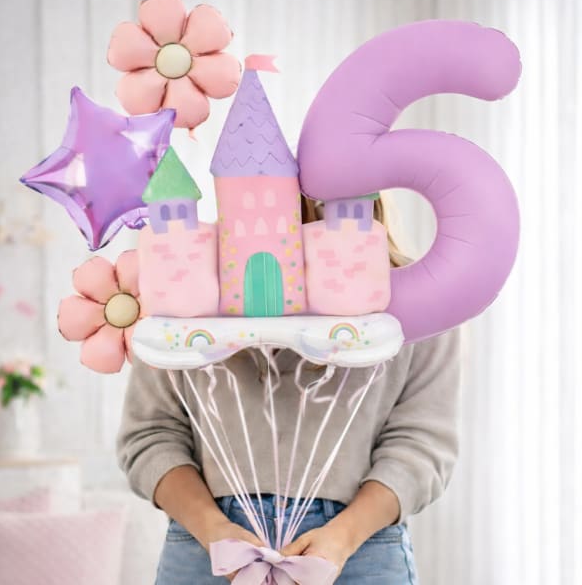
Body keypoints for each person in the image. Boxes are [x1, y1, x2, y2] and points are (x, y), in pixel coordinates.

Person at [117, 195, 461, 584]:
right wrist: (214, 530)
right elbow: (152, 434)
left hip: (359, 550)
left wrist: (343, 537)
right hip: (207, 544)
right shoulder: (185, 285)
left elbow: (421, 444)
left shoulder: (419, 300)